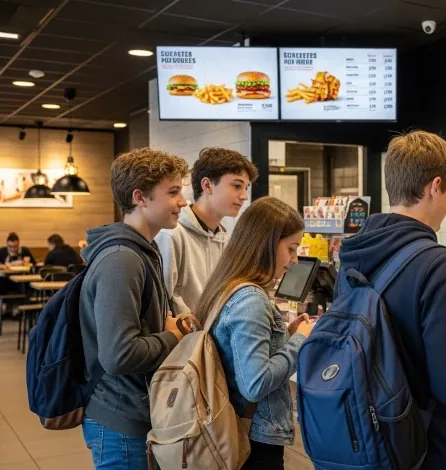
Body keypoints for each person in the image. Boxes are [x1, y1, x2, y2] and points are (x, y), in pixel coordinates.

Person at [335, 130, 446, 469]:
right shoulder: (440, 264)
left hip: (364, 439)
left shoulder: (354, 254)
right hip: (421, 450)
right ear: (435, 187)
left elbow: (385, 340)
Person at [78, 148, 199, 470]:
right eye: (173, 192)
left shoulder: (141, 252)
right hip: (120, 421)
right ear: (140, 197)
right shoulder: (122, 259)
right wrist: (172, 336)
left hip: (136, 413)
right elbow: (118, 355)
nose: (183, 202)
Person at [194, 196, 314, 470]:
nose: (294, 260)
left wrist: (285, 335)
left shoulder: (228, 286)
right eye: (291, 248)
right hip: (253, 437)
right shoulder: (251, 299)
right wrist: (300, 340)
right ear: (267, 244)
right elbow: (256, 382)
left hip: (235, 427)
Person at [156, 147, 258, 315]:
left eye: (246, 187)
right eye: (237, 186)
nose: (244, 196)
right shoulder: (172, 234)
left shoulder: (225, 238)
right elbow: (164, 301)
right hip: (185, 339)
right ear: (207, 185)